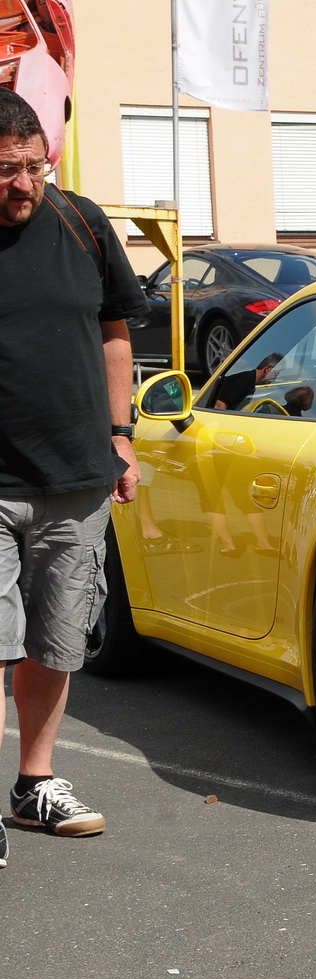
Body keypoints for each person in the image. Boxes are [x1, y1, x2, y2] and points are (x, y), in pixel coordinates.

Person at [0, 88, 149, 858]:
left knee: (55, 641)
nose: (22, 184)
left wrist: (120, 437)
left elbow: (113, 333)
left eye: (32, 167)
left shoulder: (81, 222)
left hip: (76, 474)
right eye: (4, 171)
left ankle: (35, 784)